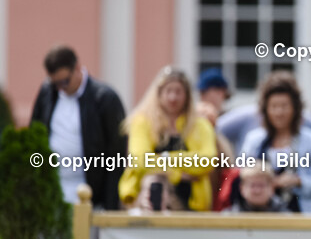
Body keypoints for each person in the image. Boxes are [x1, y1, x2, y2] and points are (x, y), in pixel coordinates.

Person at [30, 45, 126, 210]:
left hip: (90, 197)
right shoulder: (47, 93)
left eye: (64, 81)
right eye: (55, 84)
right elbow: (35, 136)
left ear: (77, 68)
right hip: (52, 195)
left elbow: (116, 156)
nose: (61, 88)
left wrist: (110, 206)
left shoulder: (104, 98)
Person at [119, 67, 217, 211]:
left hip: (190, 205)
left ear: (187, 95)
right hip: (147, 204)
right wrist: (179, 174)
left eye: (178, 92)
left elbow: (207, 160)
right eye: (168, 91)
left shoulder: (201, 124)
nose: (173, 97)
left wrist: (163, 158)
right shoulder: (142, 122)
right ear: (158, 93)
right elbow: (140, 161)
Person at [240, 71, 311, 214]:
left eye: (284, 106)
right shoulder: (254, 140)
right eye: (274, 106)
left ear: (295, 108)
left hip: (299, 214)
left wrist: (297, 181)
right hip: (259, 213)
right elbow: (242, 176)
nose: (279, 112)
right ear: (265, 109)